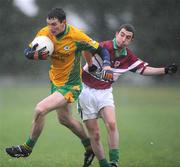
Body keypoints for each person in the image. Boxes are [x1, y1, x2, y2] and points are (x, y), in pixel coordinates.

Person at [5, 7, 113, 167]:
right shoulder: (45, 33)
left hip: (71, 85)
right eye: (49, 24)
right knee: (65, 119)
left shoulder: (76, 36)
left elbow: (101, 50)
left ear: (64, 22)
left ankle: (27, 148)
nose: (51, 28)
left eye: (54, 24)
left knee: (40, 109)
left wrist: (106, 65)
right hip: (55, 82)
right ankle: (89, 147)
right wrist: (33, 55)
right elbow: (28, 51)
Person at [78, 24, 178, 167]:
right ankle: (103, 163)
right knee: (95, 134)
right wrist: (90, 64)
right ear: (117, 34)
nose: (123, 39)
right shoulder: (104, 46)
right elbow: (86, 49)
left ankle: (114, 162)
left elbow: (143, 69)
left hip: (105, 91)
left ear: (131, 41)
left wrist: (165, 70)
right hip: (85, 90)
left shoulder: (128, 57)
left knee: (112, 124)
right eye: (122, 35)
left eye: (128, 37)